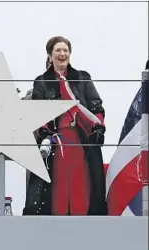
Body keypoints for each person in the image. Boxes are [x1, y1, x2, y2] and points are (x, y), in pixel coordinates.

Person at [22, 36, 107, 216]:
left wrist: (99, 127)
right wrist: (44, 132)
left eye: (65, 50)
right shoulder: (42, 81)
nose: (62, 54)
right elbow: (37, 112)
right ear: (50, 55)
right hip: (56, 143)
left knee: (82, 187)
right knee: (57, 190)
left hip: (81, 142)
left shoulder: (83, 77)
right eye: (58, 51)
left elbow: (96, 106)